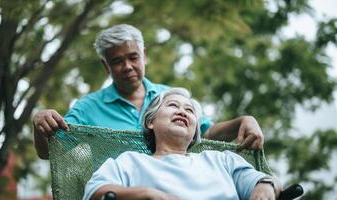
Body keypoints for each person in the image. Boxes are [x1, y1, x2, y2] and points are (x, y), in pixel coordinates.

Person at [33, 24, 264, 160]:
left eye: (133, 57)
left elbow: (206, 132)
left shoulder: (172, 98)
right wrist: (40, 125)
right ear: (106, 66)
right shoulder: (87, 108)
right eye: (117, 61)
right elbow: (52, 153)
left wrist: (244, 120)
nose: (127, 67)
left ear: (144, 55)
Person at [83, 88, 282, 200]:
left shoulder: (222, 160)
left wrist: (266, 185)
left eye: (189, 110)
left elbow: (267, 180)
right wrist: (148, 194)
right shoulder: (130, 162)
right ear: (150, 122)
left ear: (196, 129)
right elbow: (94, 193)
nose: (182, 112)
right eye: (172, 106)